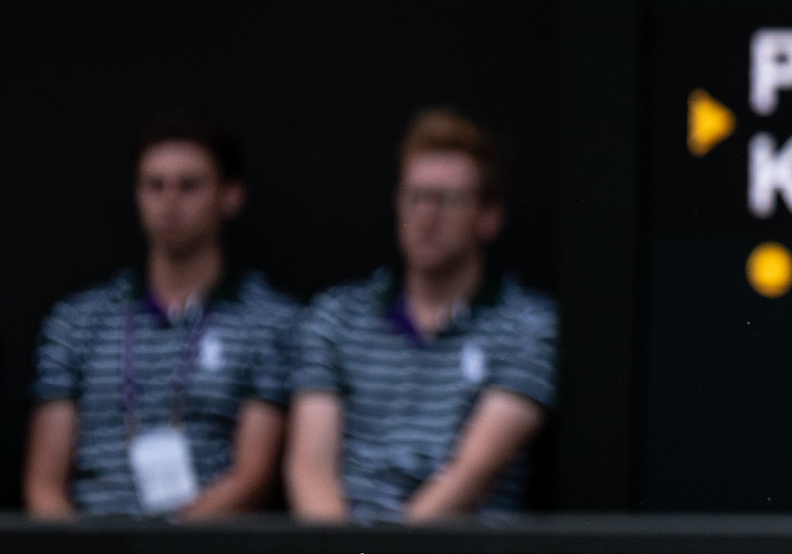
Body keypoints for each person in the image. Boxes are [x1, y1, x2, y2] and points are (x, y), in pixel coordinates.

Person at [285, 109, 555, 522]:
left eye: (446, 200)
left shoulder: (529, 326)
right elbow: (310, 466)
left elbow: (471, 475)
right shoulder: (335, 317)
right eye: (415, 196)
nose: (427, 215)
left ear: (489, 217)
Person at [23, 115, 300, 518]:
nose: (169, 200)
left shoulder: (273, 323)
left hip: (205, 544)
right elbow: (43, 483)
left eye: (189, 186)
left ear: (231, 196)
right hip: (88, 543)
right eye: (154, 185)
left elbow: (253, 477)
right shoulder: (75, 322)